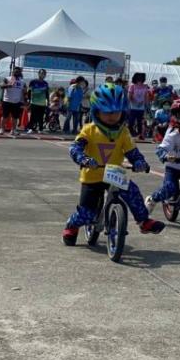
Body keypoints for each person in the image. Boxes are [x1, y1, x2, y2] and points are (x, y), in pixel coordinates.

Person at [62, 84, 163, 245]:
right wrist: (83, 159)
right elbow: (75, 147)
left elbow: (132, 152)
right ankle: (72, 225)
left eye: (116, 112)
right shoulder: (89, 130)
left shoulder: (123, 132)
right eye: (107, 112)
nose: (112, 116)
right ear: (96, 111)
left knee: (133, 192)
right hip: (92, 176)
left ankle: (144, 221)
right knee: (86, 213)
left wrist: (139, 162)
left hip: (115, 174)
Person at [0, 66, 25, 136]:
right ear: (13, 71)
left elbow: (23, 92)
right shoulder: (7, 78)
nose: (16, 72)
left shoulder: (22, 81)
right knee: (5, 116)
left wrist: (24, 101)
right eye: (15, 71)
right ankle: (2, 129)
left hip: (16, 102)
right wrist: (8, 85)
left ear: (20, 73)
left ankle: (13, 130)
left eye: (18, 71)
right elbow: (1, 86)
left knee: (15, 117)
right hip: (7, 101)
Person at [24, 69, 50, 134]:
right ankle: (30, 128)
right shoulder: (33, 82)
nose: (43, 75)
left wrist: (48, 101)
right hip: (34, 102)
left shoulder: (45, 83)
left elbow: (47, 93)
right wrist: (29, 99)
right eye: (41, 73)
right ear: (38, 74)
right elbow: (29, 91)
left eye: (44, 74)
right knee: (33, 116)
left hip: (42, 103)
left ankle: (40, 129)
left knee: (41, 117)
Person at [127, 72, 149, 139]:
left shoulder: (145, 86)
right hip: (133, 107)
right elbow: (129, 96)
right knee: (131, 122)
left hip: (141, 107)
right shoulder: (132, 86)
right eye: (138, 78)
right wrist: (135, 101)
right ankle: (130, 134)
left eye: (141, 78)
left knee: (140, 122)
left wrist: (145, 104)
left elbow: (146, 96)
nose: (139, 80)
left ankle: (140, 135)